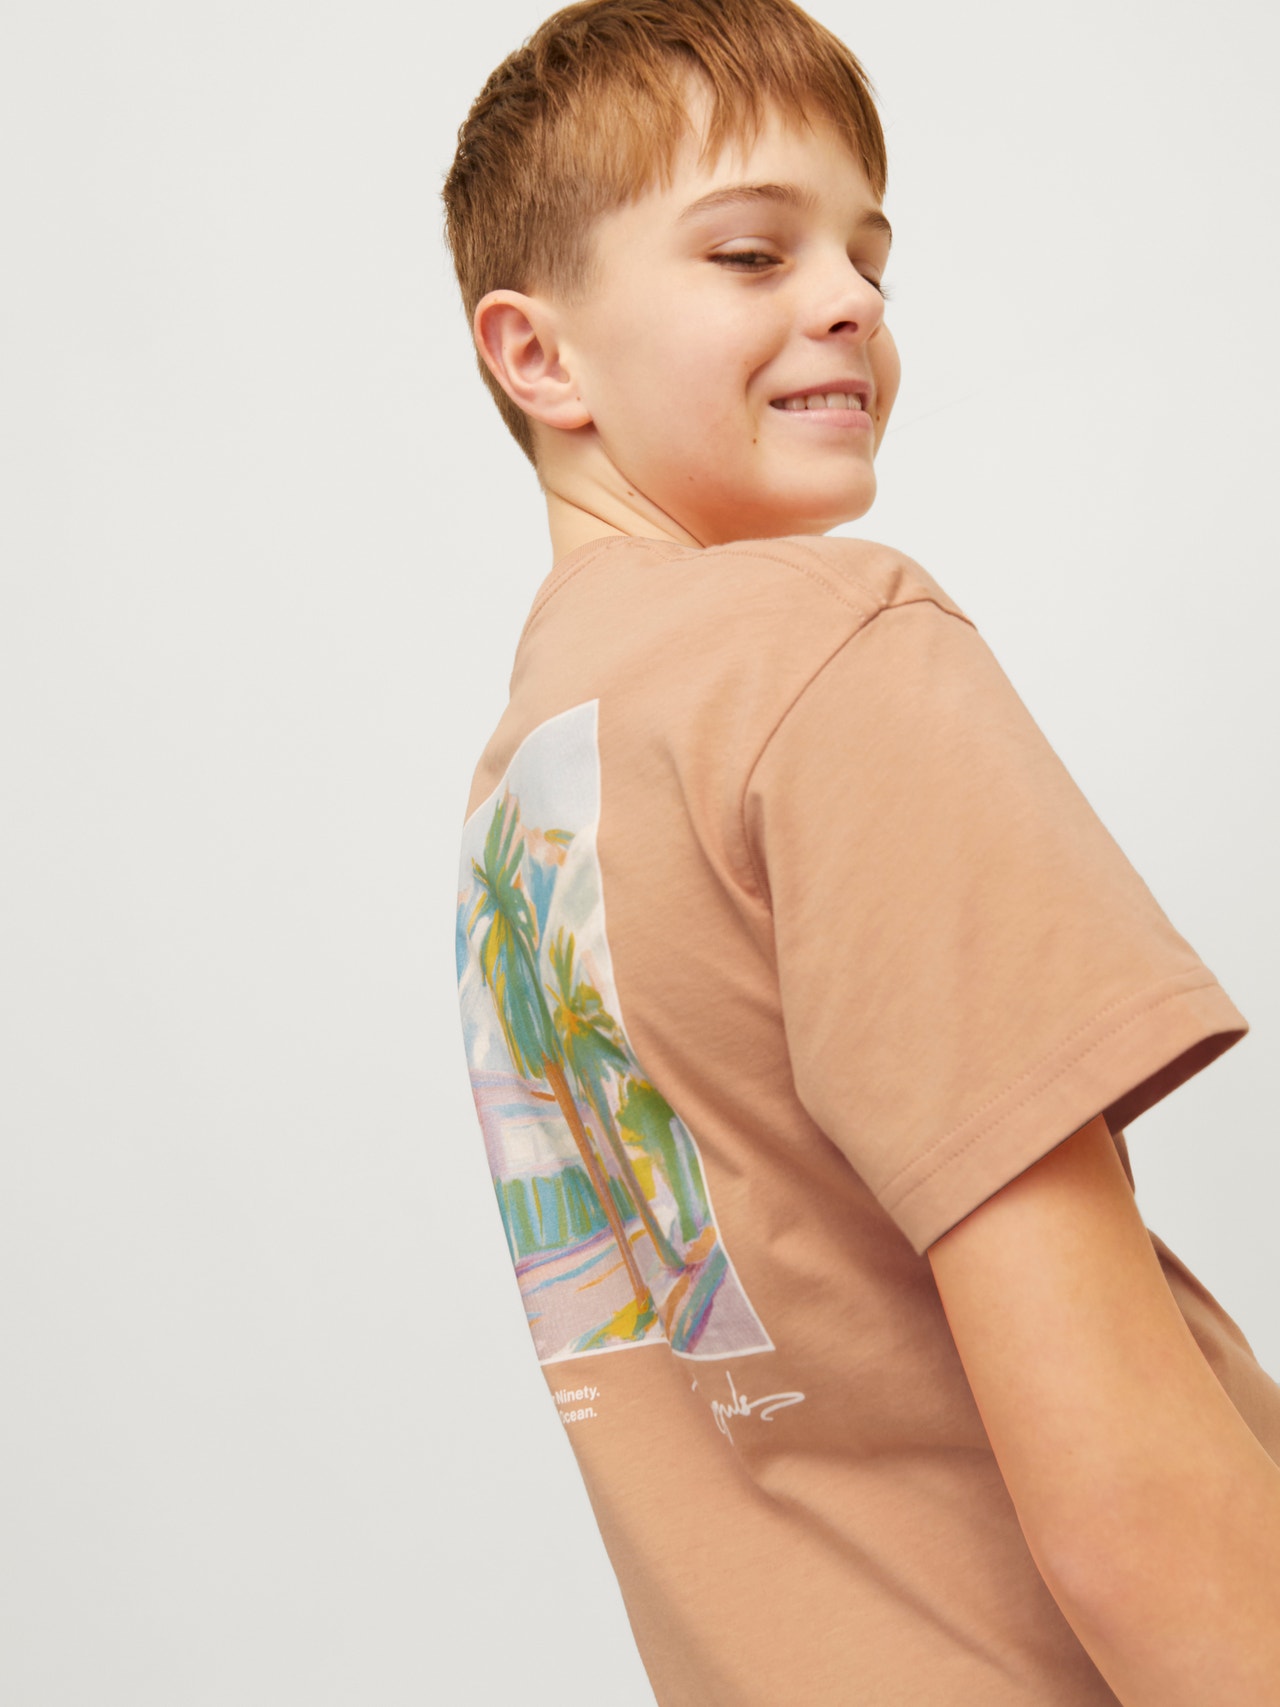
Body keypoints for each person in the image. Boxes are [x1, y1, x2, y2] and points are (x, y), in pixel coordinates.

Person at [446, 2, 1280, 1700]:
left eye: (868, 259)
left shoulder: (530, 786)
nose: (851, 301)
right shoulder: (832, 652)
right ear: (539, 358)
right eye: (752, 252)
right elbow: (1125, 1498)